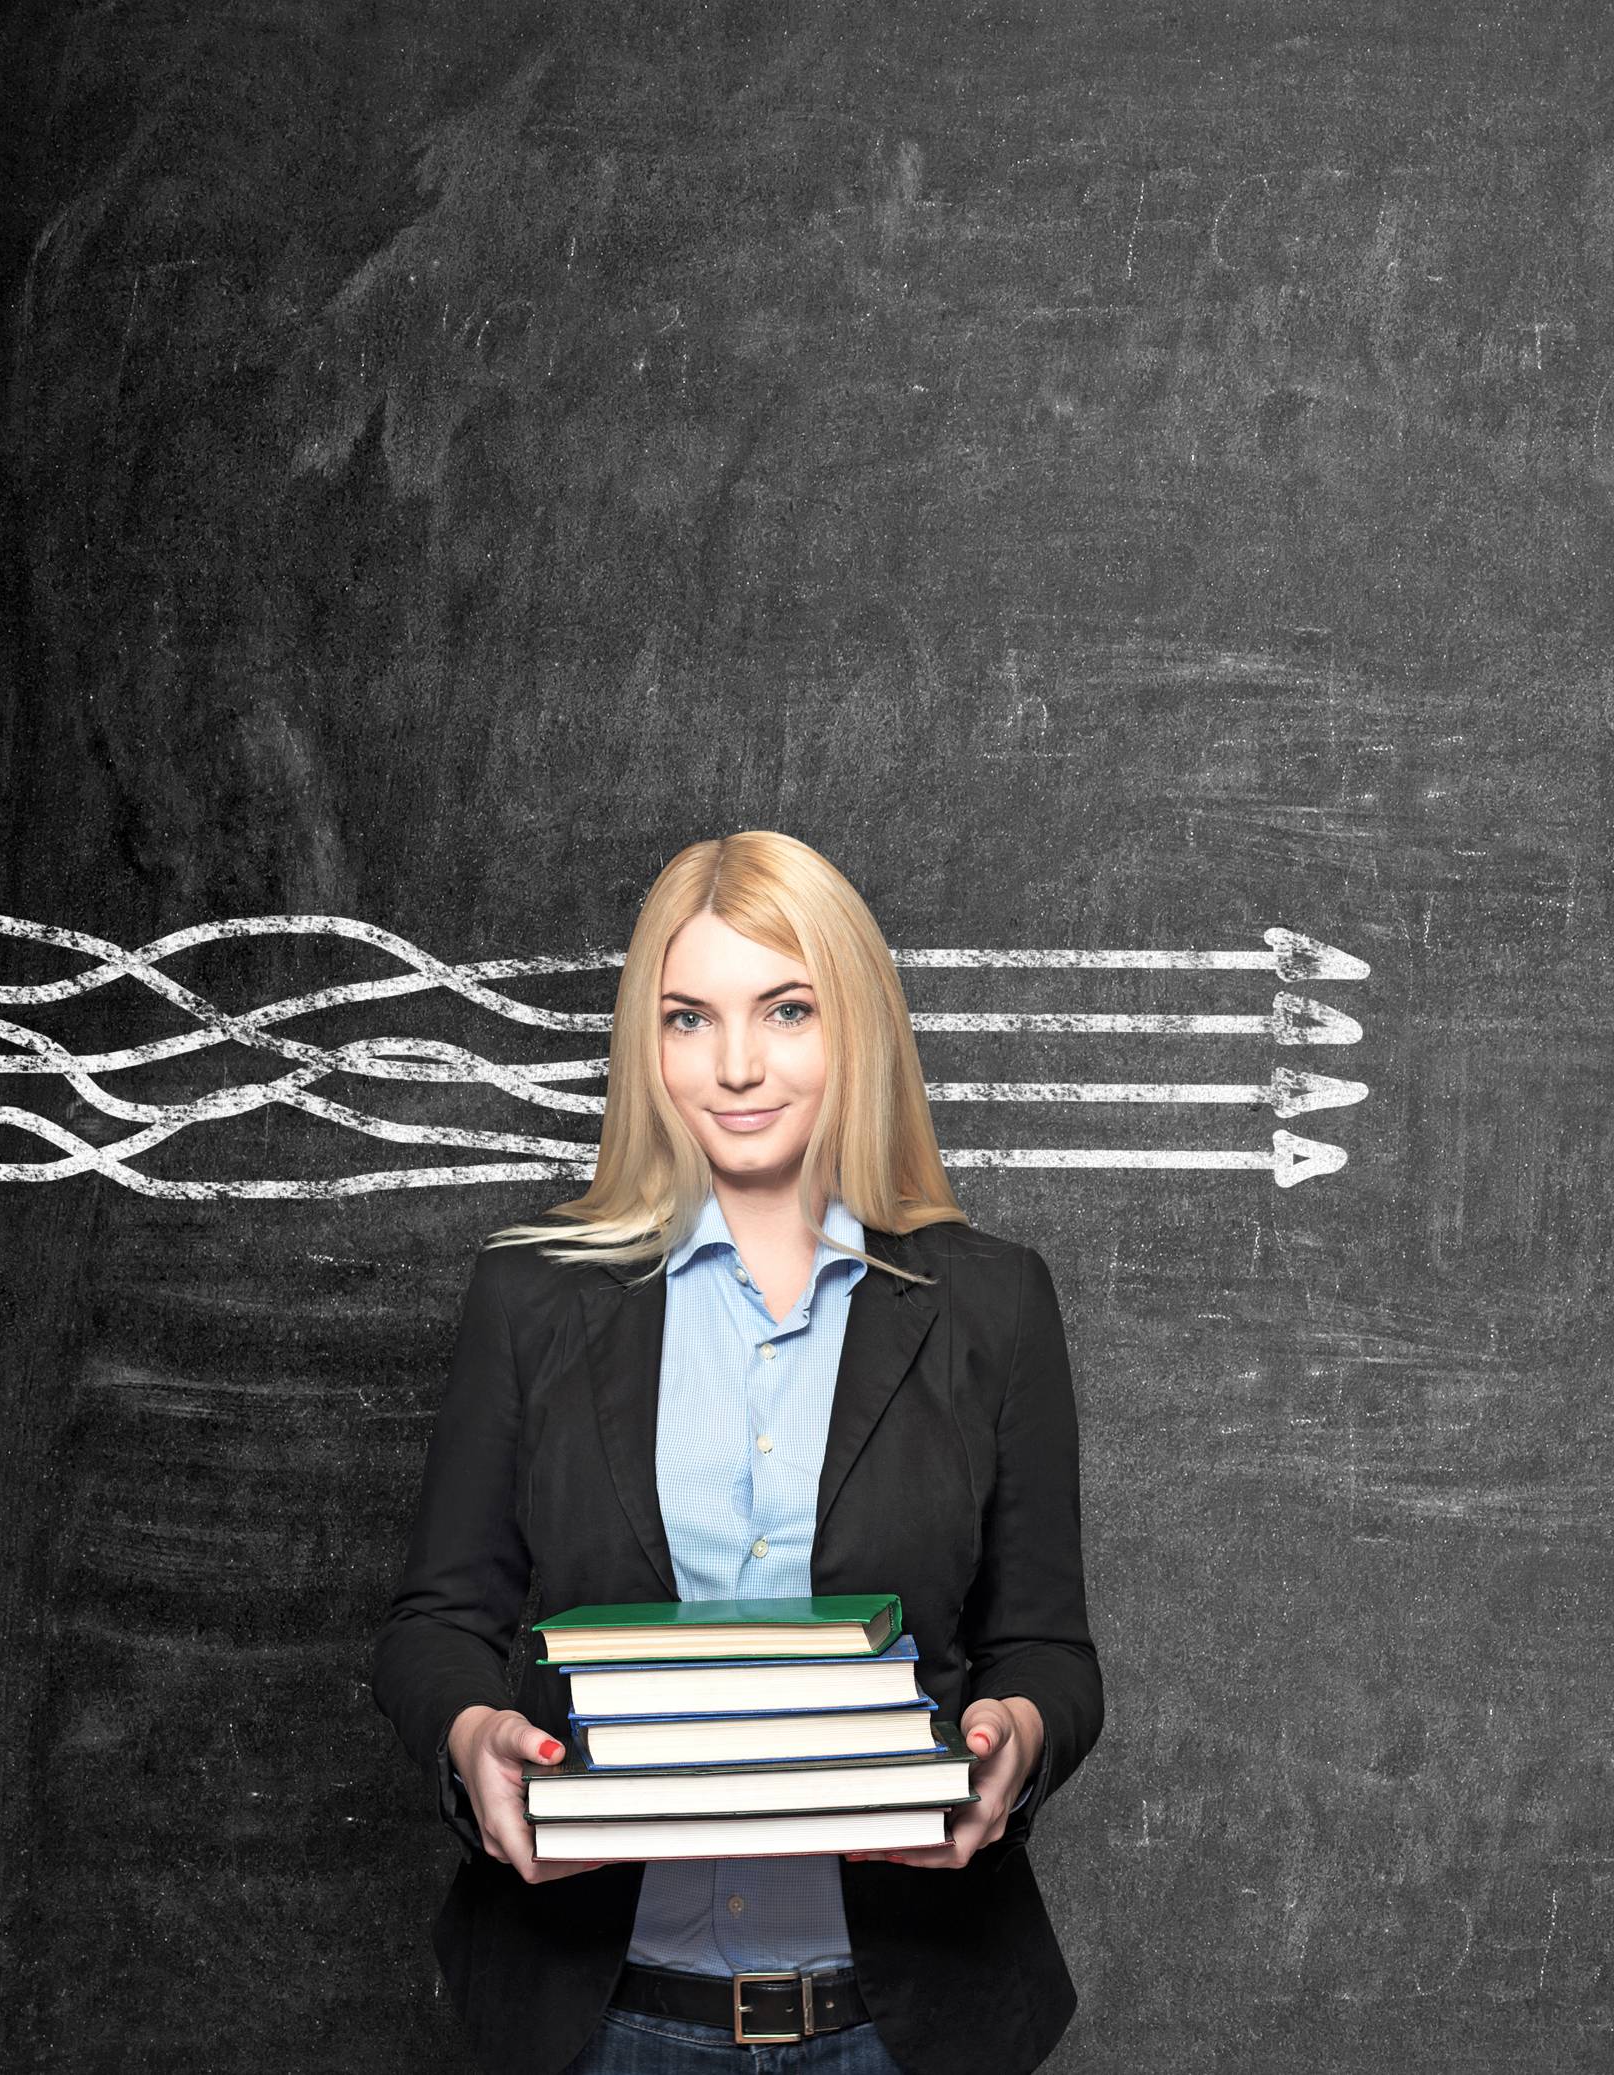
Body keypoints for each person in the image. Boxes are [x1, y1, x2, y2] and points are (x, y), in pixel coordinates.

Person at [371, 831, 1103, 2075]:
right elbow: (435, 1621)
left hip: (901, 2023)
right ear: (644, 1046)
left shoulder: (992, 1304)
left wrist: (1013, 1740)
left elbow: (1047, 1647)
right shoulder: (534, 1295)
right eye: (688, 1017)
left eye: (786, 1008)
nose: (738, 1064)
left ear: (856, 1023)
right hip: (601, 2017)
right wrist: (472, 1733)